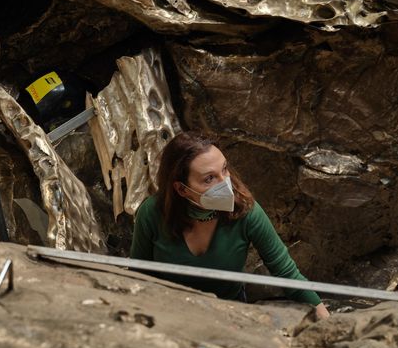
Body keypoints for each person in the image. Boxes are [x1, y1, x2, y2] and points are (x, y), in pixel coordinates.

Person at [129, 131, 329, 320]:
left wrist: (327, 323)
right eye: (209, 178)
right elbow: (139, 276)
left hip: (230, 315)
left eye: (224, 169)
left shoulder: (247, 211)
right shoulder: (151, 213)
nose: (225, 182)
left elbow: (287, 275)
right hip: (169, 313)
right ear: (182, 189)